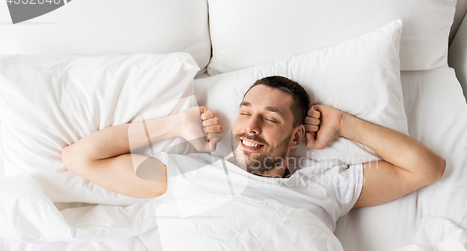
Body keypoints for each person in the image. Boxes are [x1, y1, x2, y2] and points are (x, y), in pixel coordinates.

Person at [62, 76, 445, 231]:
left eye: (269, 118)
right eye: (245, 112)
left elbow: (427, 168)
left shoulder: (327, 184)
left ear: (297, 136)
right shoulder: (188, 175)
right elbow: (80, 159)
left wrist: (344, 124)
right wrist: (173, 126)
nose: (250, 127)